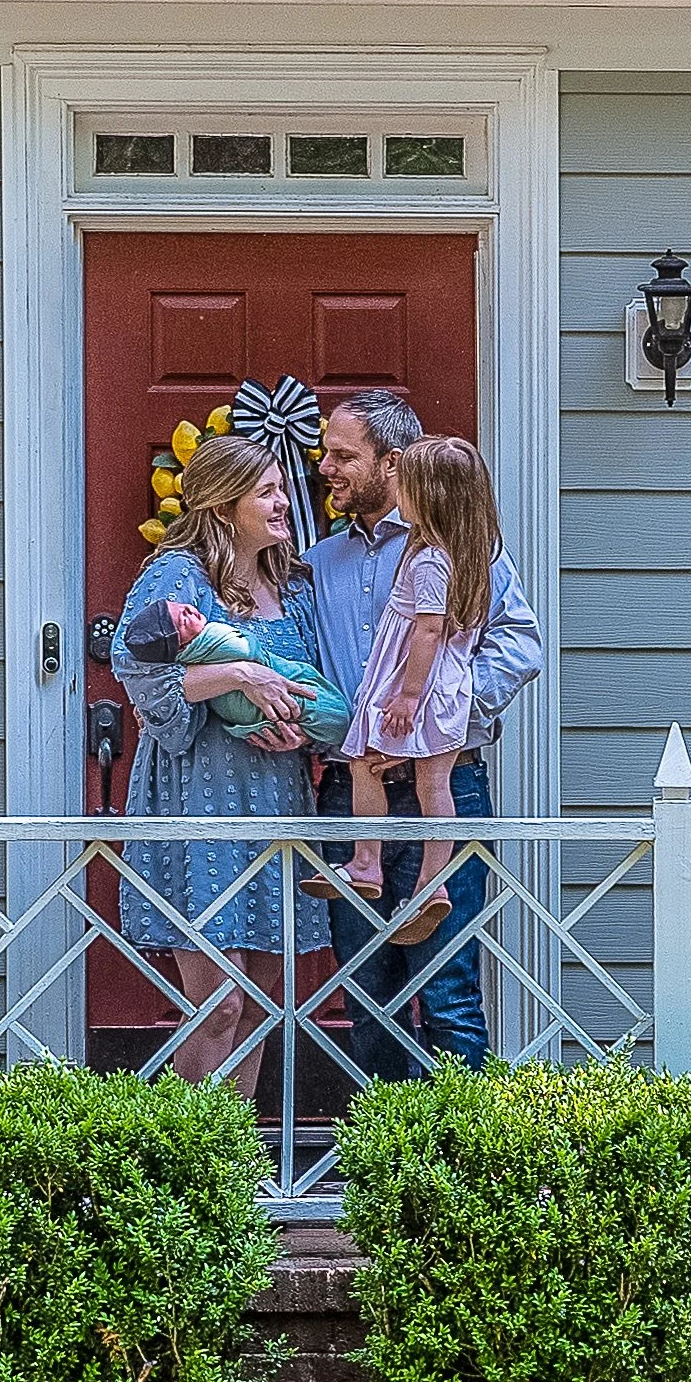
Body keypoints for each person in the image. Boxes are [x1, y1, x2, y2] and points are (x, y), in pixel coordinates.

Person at [308, 390, 543, 1079]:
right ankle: (381, 1160)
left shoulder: (460, 547)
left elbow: (520, 646)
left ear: (393, 462)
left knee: (447, 989)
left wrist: (437, 723)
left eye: (343, 454)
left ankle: (458, 1166)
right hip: (354, 796)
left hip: (446, 782)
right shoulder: (320, 564)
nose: (326, 467)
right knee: (364, 987)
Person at [110, 434, 331, 1093]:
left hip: (274, 799)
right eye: (268, 491)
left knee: (258, 1007)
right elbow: (135, 663)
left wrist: (296, 726)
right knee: (220, 1003)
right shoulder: (177, 575)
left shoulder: (292, 584)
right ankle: (184, 1165)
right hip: (199, 800)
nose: (284, 501)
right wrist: (237, 671)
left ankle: (237, 1170)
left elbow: (310, 682)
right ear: (224, 501)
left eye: (283, 488)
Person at [336, 437, 502, 946]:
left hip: (418, 687)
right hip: (447, 691)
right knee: (434, 787)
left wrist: (406, 697)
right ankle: (431, 883)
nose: (397, 492)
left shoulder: (429, 560)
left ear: (428, 496)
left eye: (405, 484)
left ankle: (369, 860)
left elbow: (427, 630)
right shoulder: (469, 555)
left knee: (367, 763)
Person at [119, 594, 353, 752]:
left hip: (283, 768)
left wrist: (305, 734)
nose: (188, 610)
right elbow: (142, 676)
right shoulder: (180, 571)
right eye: (182, 619)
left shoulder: (294, 583)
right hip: (215, 773)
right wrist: (241, 673)